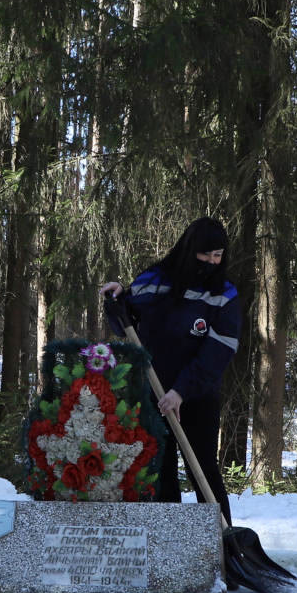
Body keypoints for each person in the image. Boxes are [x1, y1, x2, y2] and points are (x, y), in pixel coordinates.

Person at [100, 217, 241, 524]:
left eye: (218, 255)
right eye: (206, 254)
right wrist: (117, 299)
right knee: (159, 470)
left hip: (196, 395)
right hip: (152, 393)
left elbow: (218, 351)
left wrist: (181, 391)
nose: (212, 262)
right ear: (190, 249)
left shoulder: (223, 294)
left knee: (203, 467)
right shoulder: (153, 281)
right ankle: (167, 542)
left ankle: (220, 541)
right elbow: (125, 325)